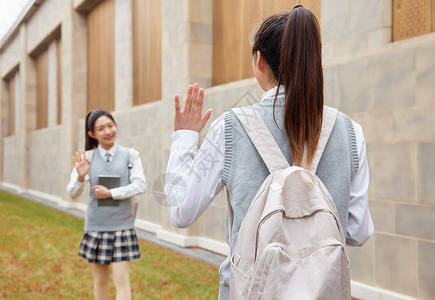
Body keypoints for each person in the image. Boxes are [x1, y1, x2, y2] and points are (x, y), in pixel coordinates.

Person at [165, 6, 374, 299]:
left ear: (259, 60)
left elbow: (180, 210)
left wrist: (185, 139)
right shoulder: (351, 132)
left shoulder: (230, 128)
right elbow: (358, 231)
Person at [67, 109, 146, 300]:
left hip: (122, 227)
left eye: (110, 126)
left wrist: (111, 193)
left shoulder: (131, 155)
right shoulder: (87, 158)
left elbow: (140, 185)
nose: (108, 131)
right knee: (100, 281)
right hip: (96, 228)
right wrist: (80, 176)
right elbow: (72, 193)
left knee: (121, 280)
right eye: (101, 128)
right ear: (92, 134)